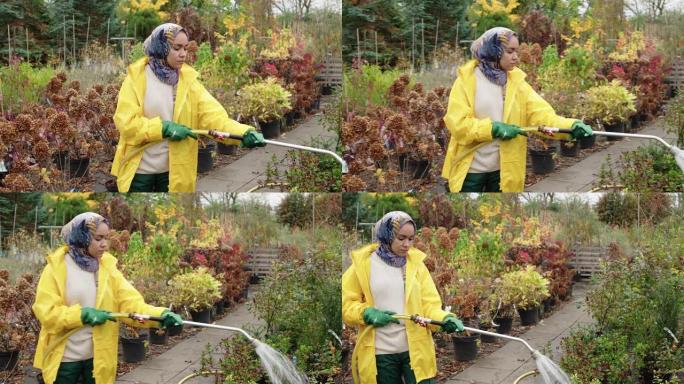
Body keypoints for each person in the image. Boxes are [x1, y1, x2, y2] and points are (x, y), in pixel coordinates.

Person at [111, 23, 266, 192]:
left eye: (185, 48)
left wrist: (243, 133)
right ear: (160, 46)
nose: (183, 54)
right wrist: (163, 128)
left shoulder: (189, 82)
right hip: (139, 173)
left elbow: (214, 118)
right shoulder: (137, 79)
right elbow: (126, 123)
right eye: (177, 48)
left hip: (174, 173)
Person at [32, 212, 183, 384]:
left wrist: (161, 315)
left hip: (98, 362)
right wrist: (82, 315)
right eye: (98, 238)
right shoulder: (56, 268)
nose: (105, 244)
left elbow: (131, 304)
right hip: (64, 362)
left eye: (106, 238)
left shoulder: (107, 269)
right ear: (81, 237)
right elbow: (46, 311)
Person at [441, 27, 593, 192]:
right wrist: (493, 128)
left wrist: (571, 127)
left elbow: (542, 117)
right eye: (510, 51)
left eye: (516, 51)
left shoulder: (517, 83)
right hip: (470, 170)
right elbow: (457, 124)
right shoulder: (467, 80)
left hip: (503, 173)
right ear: (493, 50)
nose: (516, 57)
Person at [342, 211, 465, 384]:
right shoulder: (362, 266)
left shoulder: (416, 265)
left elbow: (429, 305)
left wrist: (445, 318)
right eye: (401, 238)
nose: (407, 244)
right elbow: (347, 305)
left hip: (415, 351)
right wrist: (367, 313)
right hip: (380, 353)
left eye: (411, 238)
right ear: (386, 234)